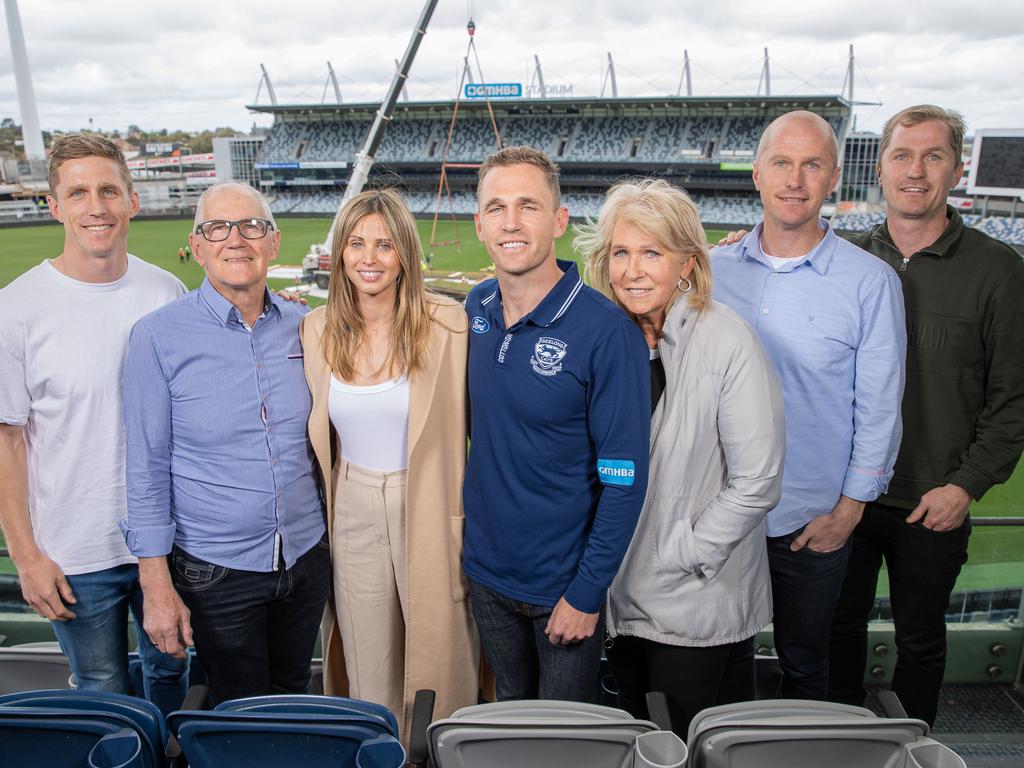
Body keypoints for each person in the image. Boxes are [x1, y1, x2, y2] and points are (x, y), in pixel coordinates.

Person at [828, 106, 1024, 726]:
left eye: (933, 156)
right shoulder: (844, 258)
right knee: (836, 632)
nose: (916, 171)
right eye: (902, 156)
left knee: (920, 642)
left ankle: (911, 748)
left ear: (957, 169)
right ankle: (832, 742)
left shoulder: (998, 271)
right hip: (846, 497)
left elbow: (1013, 399)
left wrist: (964, 487)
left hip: (932, 504)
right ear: (880, 169)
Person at [579, 179, 786, 737]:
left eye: (652, 253)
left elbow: (757, 480)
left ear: (688, 264)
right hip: (620, 593)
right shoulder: (608, 338)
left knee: (687, 739)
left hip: (694, 597)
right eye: (621, 252)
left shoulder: (728, 340)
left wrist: (685, 553)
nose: (633, 270)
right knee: (640, 735)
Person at [713, 111, 907, 700]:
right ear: (757, 175)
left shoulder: (871, 282)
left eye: (812, 164)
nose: (795, 179)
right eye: (782, 162)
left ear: (833, 180)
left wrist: (848, 512)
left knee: (806, 666)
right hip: (718, 514)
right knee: (719, 665)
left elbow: (879, 409)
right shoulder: (707, 270)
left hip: (810, 521)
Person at [0, 134, 188, 714]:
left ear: (133, 200)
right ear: (55, 207)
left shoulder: (167, 292)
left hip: (170, 540)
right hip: (76, 548)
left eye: (109, 190)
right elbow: (7, 440)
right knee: (101, 692)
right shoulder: (17, 308)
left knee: (173, 673)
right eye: (78, 193)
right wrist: (26, 556)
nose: (96, 206)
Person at [121, 183, 330, 706]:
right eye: (218, 228)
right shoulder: (157, 337)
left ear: (274, 242)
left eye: (252, 226)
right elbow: (145, 467)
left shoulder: (306, 327)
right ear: (197, 245)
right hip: (216, 569)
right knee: (235, 709)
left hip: (305, 556)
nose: (236, 239)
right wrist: (155, 584)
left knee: (294, 695)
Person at [462, 146, 651, 702]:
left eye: (528, 205)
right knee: (508, 721)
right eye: (496, 208)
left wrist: (588, 592)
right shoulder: (477, 308)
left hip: (563, 590)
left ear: (559, 220)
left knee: (566, 741)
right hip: (485, 576)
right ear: (479, 224)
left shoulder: (608, 332)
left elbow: (624, 479)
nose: (511, 222)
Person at [301, 188, 479, 739]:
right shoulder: (315, 328)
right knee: (368, 661)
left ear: (404, 251)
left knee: (438, 658)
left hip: (427, 500)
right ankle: (375, 749)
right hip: (352, 503)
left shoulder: (449, 325)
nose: (369, 258)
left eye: (383, 244)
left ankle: (438, 749)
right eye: (356, 243)